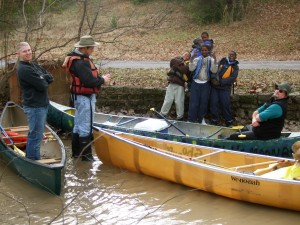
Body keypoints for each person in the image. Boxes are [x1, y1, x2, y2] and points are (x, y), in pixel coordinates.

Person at [64, 35, 111, 161]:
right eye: (92, 48)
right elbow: (89, 81)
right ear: (85, 48)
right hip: (85, 98)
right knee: (86, 126)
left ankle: (76, 155)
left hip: (78, 97)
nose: (93, 50)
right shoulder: (80, 62)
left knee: (78, 125)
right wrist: (103, 80)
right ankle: (87, 158)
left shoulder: (76, 58)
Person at [16, 42, 54, 160]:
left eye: (29, 50)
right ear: (18, 54)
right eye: (24, 51)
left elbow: (50, 77)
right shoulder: (24, 69)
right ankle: (33, 161)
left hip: (42, 105)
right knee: (35, 136)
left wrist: (43, 78)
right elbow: (42, 85)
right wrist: (42, 78)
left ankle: (32, 158)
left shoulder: (33, 65)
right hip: (35, 107)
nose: (28, 53)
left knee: (37, 135)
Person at [228, 82, 292, 140]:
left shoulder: (277, 107)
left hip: (265, 135)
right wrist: (254, 120)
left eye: (280, 91)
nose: (277, 91)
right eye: (277, 88)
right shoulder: (273, 100)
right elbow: (256, 112)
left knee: (233, 136)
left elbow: (259, 117)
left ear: (285, 95)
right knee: (241, 129)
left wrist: (256, 119)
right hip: (259, 130)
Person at [188, 45, 218, 123]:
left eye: (205, 50)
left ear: (208, 51)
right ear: (201, 51)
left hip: (205, 83)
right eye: (202, 50)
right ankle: (191, 119)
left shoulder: (211, 60)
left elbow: (214, 71)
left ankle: (201, 119)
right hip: (196, 83)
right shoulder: (197, 59)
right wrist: (191, 58)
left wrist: (215, 60)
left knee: (203, 103)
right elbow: (191, 68)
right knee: (193, 102)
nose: (204, 52)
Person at [210, 51, 239, 127]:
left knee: (225, 104)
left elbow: (232, 78)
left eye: (233, 55)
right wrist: (213, 79)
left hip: (224, 88)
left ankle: (229, 121)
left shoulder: (235, 67)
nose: (231, 56)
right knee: (213, 103)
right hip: (215, 87)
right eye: (230, 54)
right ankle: (215, 120)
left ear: (235, 57)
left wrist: (221, 82)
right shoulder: (223, 61)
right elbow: (214, 69)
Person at [160, 52, 190, 120]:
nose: (185, 56)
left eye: (187, 55)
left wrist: (177, 66)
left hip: (180, 85)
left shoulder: (188, 64)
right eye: (185, 54)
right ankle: (163, 113)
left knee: (179, 101)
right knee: (168, 99)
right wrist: (179, 65)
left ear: (189, 58)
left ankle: (180, 116)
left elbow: (185, 70)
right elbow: (172, 62)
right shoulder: (177, 59)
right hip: (171, 83)